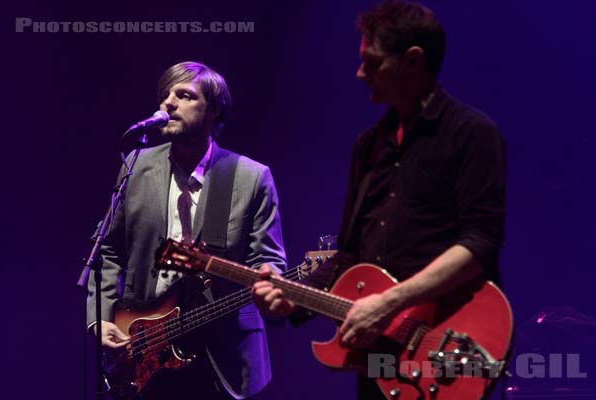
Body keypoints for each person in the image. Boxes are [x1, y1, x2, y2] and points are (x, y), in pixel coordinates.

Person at [252, 1, 507, 398]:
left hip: (447, 347)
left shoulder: (472, 134)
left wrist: (387, 303)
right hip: (381, 353)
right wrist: (292, 298)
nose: (359, 74)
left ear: (412, 61)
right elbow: (350, 254)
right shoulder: (368, 147)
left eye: (371, 62)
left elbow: (481, 244)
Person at [87, 61, 287, 399]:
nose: (168, 103)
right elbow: (105, 250)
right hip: (146, 353)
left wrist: (272, 289)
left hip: (225, 355)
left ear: (214, 111)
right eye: (165, 94)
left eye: (184, 95)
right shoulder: (136, 166)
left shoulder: (250, 177)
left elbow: (269, 263)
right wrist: (102, 319)